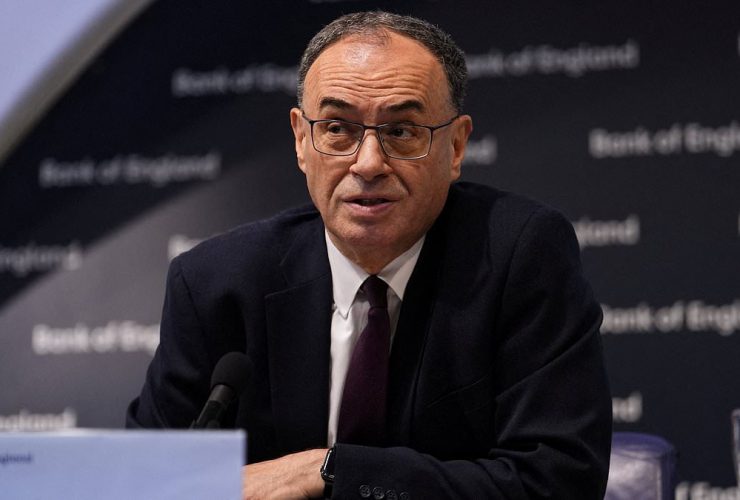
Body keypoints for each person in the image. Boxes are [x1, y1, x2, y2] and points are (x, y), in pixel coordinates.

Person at [127, 11, 612, 499]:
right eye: (338, 128)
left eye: (401, 131)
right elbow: (142, 483)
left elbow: (559, 481)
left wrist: (330, 471)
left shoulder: (520, 256)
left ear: (456, 146)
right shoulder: (215, 283)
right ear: (302, 140)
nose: (369, 163)